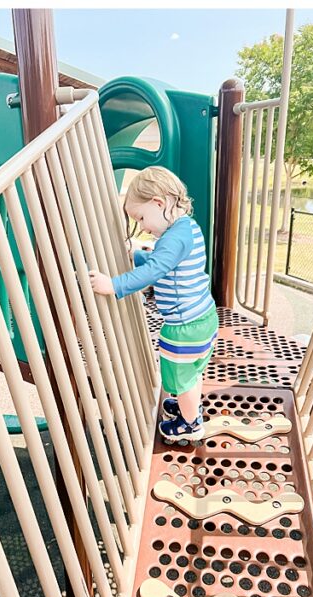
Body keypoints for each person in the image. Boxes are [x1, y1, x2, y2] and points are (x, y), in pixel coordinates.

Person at [88, 166, 218, 442]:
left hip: (185, 326)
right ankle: (189, 407)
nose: (144, 227)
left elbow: (155, 271)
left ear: (159, 203)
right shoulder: (185, 229)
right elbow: (165, 266)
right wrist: (136, 254)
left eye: (142, 218)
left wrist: (114, 285)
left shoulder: (173, 237)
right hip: (201, 317)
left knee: (183, 377)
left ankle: (190, 423)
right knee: (191, 372)